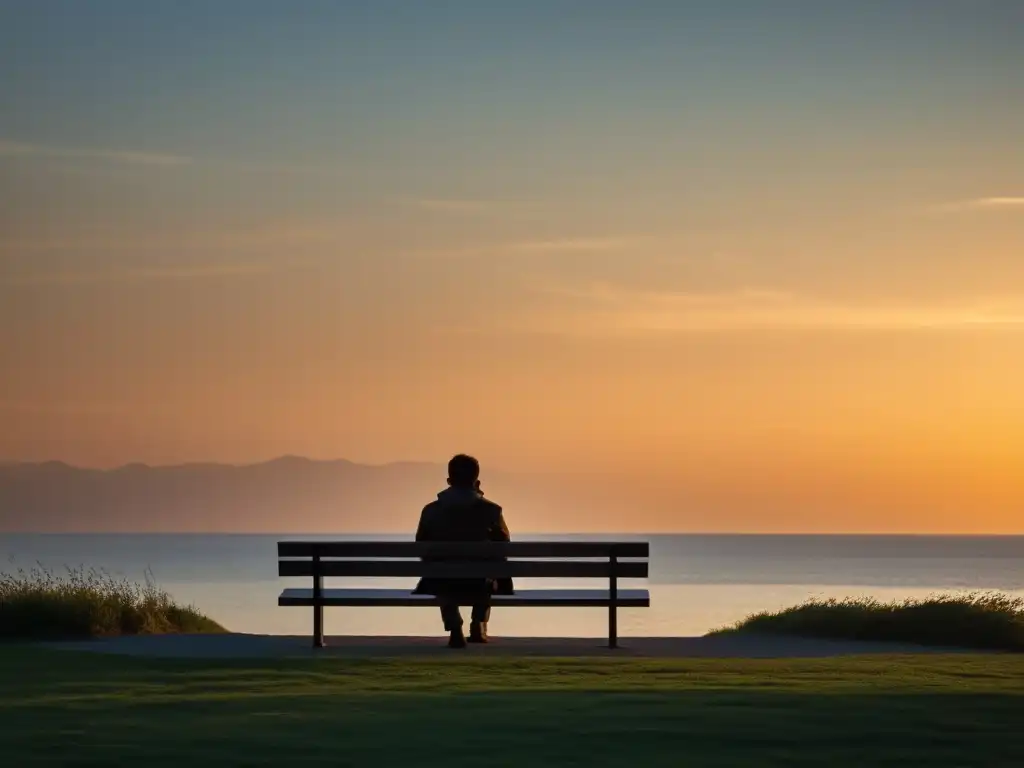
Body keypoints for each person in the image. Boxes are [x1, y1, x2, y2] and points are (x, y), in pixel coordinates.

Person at [413, 454, 512, 648]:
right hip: (480, 583)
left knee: (439, 572)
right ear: (477, 481)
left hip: (442, 582)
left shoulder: (431, 511)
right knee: (490, 568)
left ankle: (454, 626)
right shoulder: (491, 511)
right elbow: (504, 547)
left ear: (449, 481)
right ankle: (478, 623)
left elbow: (421, 546)